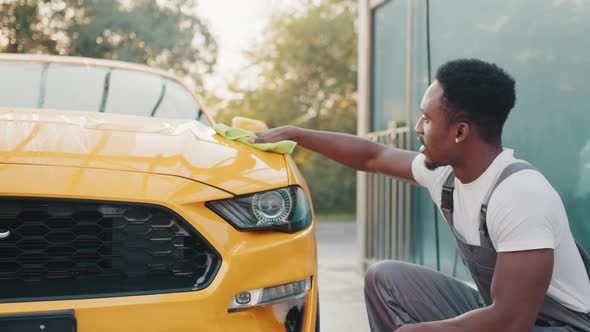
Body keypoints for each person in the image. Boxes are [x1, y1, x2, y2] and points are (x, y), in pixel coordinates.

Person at [250, 59, 590, 331]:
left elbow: (510, 322)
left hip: (558, 326)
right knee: (386, 279)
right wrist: (296, 135)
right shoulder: (445, 176)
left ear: (459, 132)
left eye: (426, 119)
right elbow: (373, 156)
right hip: (505, 316)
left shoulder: (519, 195)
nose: (417, 128)